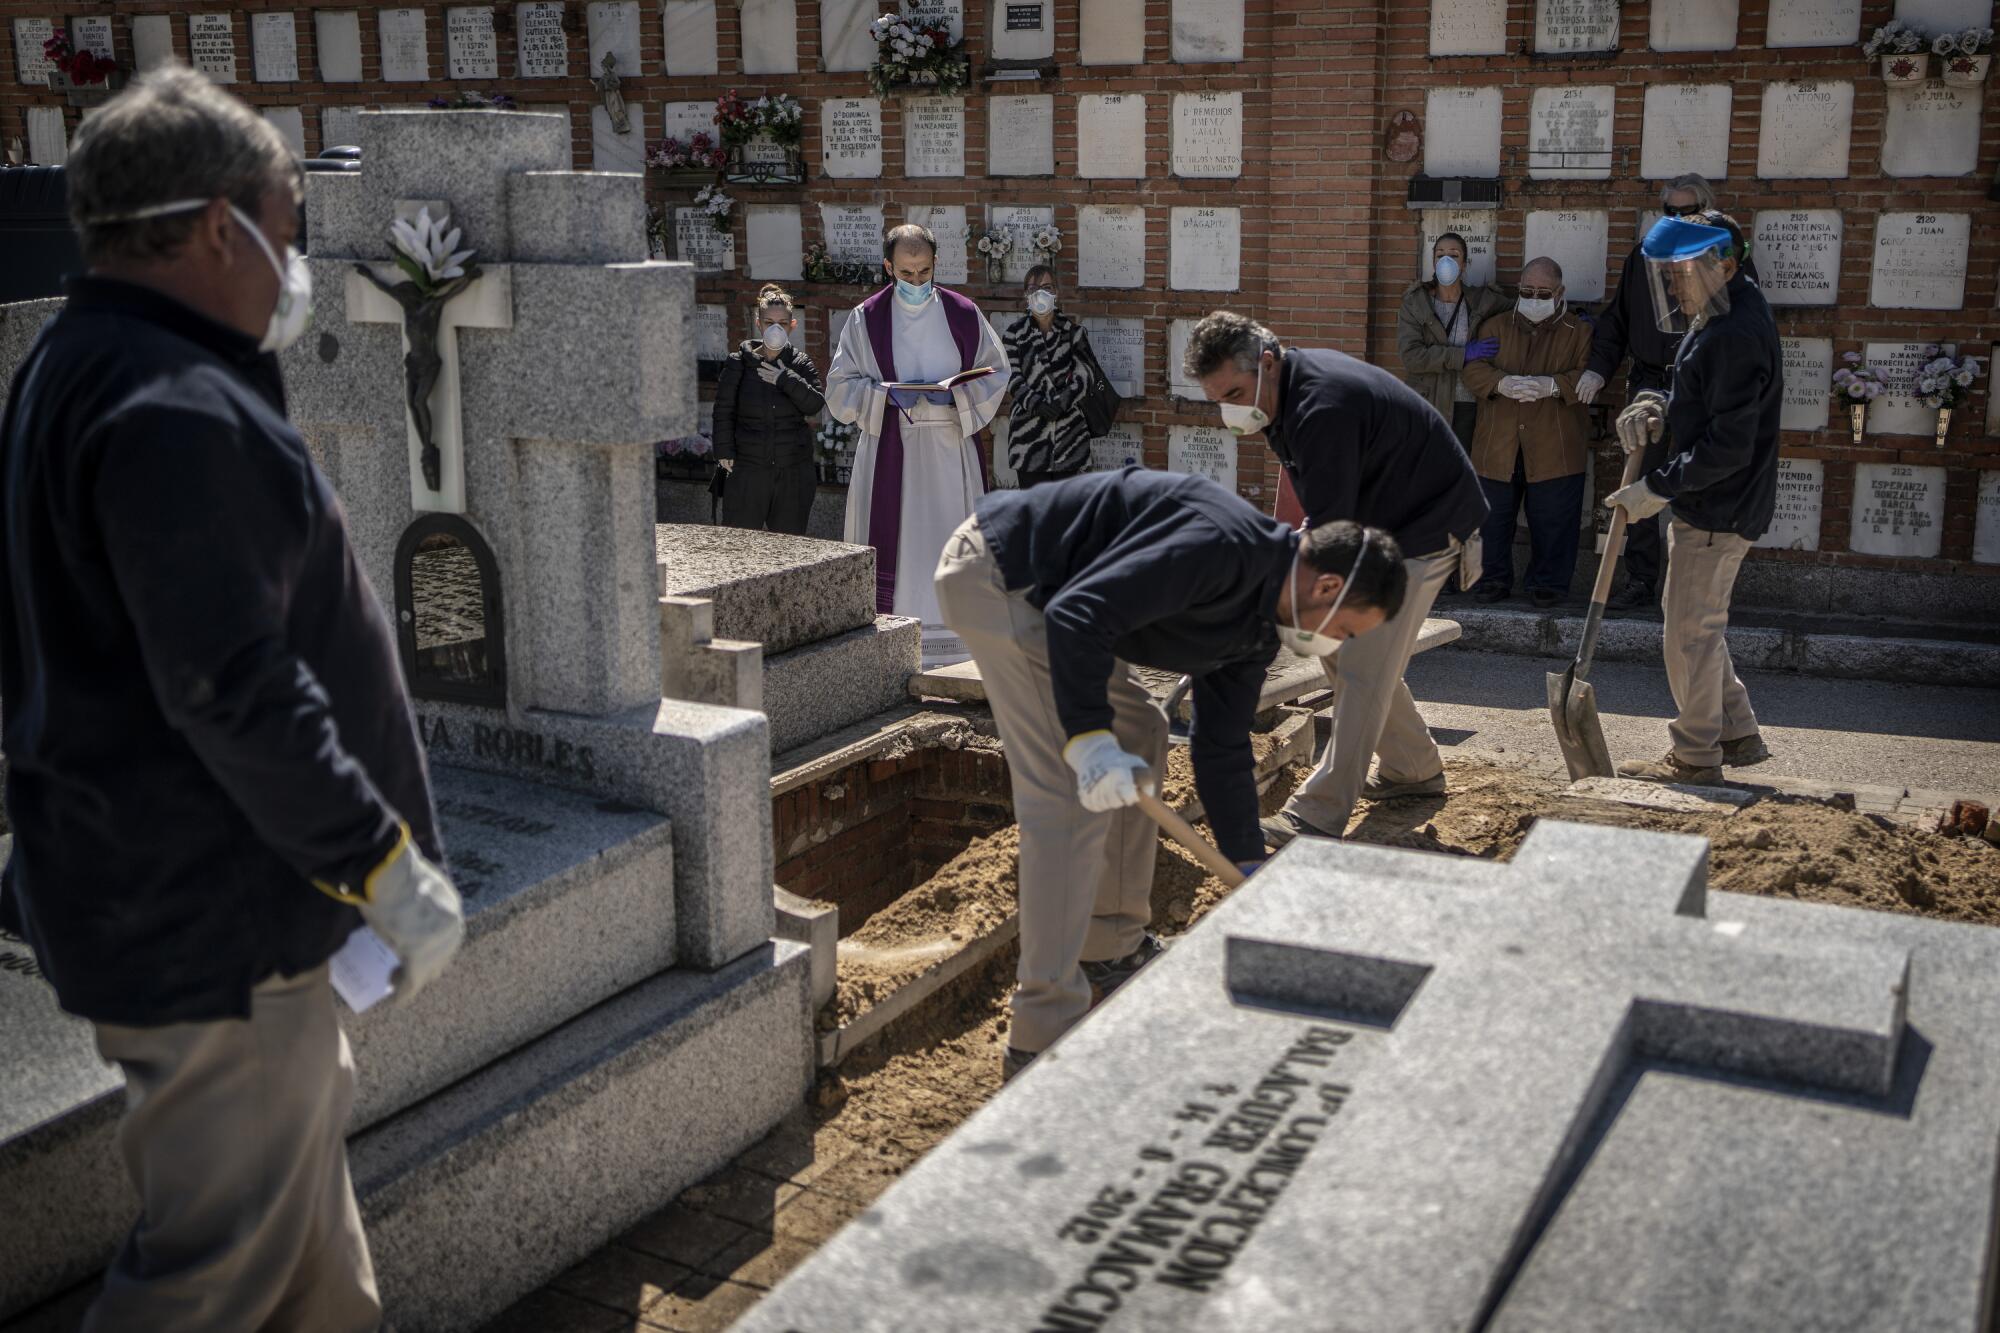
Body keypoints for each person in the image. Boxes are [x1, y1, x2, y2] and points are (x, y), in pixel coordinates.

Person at [0, 68, 464, 1331]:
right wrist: (377, 860)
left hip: (171, 897)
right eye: (288, 228)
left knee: (317, 1280)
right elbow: (229, 684)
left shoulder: (83, 362)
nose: (293, 264)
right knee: (207, 1283)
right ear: (218, 226)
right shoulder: (174, 406)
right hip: (215, 920)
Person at [934, 467, 1407, 1079]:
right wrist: (1086, 740)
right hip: (1004, 578)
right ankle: (1042, 1036)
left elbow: (1222, 746)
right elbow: (1080, 614)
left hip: (1061, 606)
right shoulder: (1218, 545)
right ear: (1328, 586)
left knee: (1143, 729)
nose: (1335, 643)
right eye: (1344, 630)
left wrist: (1248, 866)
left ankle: (1109, 946)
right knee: (1067, 802)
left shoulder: (1261, 627)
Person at [1186, 311, 1487, 851]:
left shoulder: (1321, 406)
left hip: (1424, 529)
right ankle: (1413, 770)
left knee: (1364, 663)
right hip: (1382, 521)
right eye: (1218, 399)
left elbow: (1333, 535)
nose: (1229, 409)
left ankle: (1318, 814)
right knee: (1336, 651)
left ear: (1268, 364)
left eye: (1234, 391)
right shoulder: (1284, 398)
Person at [1604, 212, 1781, 785]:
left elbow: (1728, 446)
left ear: (1723, 265)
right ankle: (1736, 730)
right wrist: (1656, 401)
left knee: (1689, 633)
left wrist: (1656, 487)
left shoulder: (1734, 332)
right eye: (1669, 275)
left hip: (1718, 506)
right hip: (1717, 504)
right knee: (1697, 624)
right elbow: (1699, 394)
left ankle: (1695, 756)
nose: (1673, 287)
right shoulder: (1721, 314)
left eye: (1680, 274)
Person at [828, 222, 1011, 667]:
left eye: (924, 272)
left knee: (949, 541)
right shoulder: (865, 319)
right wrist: (884, 394)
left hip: (949, 446)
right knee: (901, 549)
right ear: (888, 267)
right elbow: (838, 389)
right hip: (891, 447)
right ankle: (891, 646)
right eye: (905, 274)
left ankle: (957, 647)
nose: (915, 282)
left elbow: (996, 373)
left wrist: (955, 395)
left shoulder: (963, 313)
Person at [1581, 173, 1716, 612]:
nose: (1677, 218)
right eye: (1669, 211)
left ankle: (1693, 590)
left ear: (1704, 210)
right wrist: (1598, 370)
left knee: (1698, 482)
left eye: (1686, 210)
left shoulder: (1722, 259)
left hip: (1699, 385)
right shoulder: (1642, 256)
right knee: (1640, 483)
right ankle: (1640, 579)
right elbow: (1618, 320)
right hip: (1649, 383)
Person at [1459, 256, 1593, 609]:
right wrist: (1499, 382)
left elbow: (1593, 376)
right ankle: (1490, 580)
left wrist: (1554, 386)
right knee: (1491, 517)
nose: (1534, 298)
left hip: (1555, 442)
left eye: (1542, 292)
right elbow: (1472, 370)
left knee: (1553, 519)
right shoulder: (1495, 326)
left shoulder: (1579, 333)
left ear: (1560, 292)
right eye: (1527, 290)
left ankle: (1548, 584)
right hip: (1498, 442)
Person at [713, 282, 825, 535]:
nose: (775, 328)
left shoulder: (800, 363)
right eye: (769, 322)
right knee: (739, 546)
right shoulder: (738, 363)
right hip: (748, 471)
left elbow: (815, 404)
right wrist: (723, 451)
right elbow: (723, 410)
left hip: (792, 472)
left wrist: (785, 378)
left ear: (792, 325)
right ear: (758, 323)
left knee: (788, 548)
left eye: (782, 323)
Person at [1396, 231, 1510, 452]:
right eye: (1440, 255)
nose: (1446, 260)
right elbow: (1411, 357)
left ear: (1464, 264)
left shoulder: (1482, 301)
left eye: (1454, 255)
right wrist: (1462, 355)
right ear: (1433, 262)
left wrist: (1573, 315)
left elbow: (1522, 310)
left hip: (1469, 404)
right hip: (1428, 403)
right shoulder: (1415, 303)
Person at [1001, 264, 1096, 487]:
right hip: (1029, 440)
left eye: (1047, 287)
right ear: (1026, 294)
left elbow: (1086, 373)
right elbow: (1010, 375)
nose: (1040, 293)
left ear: (1057, 292)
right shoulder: (1013, 334)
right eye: (1033, 288)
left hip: (1069, 437)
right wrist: (1036, 404)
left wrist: (1062, 403)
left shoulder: (1074, 332)